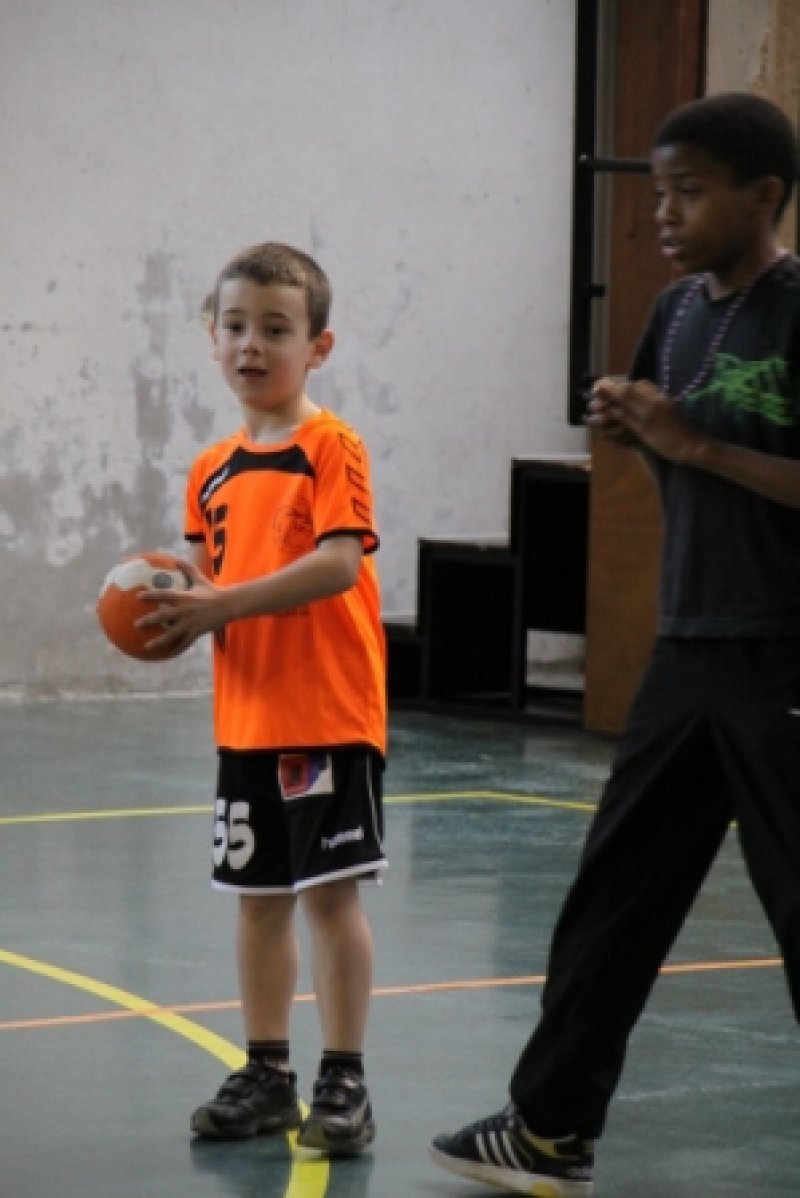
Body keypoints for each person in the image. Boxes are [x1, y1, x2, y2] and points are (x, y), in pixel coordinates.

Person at [429, 91, 800, 1198]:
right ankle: (549, 1130)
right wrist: (635, 430)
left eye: (689, 192)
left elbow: (718, 453)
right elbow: (672, 456)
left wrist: (690, 441)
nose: (664, 214)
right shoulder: (675, 313)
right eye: (657, 192)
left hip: (784, 651)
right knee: (615, 899)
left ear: (764, 196)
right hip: (689, 647)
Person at [137, 242, 387, 1155]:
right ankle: (268, 1072)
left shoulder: (331, 447)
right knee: (257, 899)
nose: (253, 344)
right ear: (212, 336)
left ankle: (345, 1081)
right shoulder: (210, 468)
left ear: (317, 347)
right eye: (236, 325)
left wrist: (220, 605)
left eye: (276, 329)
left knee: (329, 897)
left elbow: (337, 564)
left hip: (326, 714)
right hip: (246, 720)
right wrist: (166, 614)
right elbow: (202, 582)